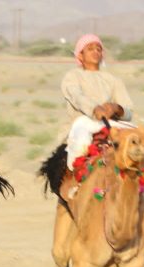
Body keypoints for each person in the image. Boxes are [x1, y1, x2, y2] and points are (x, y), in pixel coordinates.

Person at [60, 33, 134, 169]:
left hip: (111, 123)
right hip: (82, 122)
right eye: (90, 49)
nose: (95, 52)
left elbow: (128, 111)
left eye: (98, 49)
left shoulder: (114, 80)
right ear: (80, 55)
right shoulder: (72, 76)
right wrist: (94, 109)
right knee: (81, 146)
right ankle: (77, 176)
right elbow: (77, 97)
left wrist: (117, 109)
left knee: (142, 141)